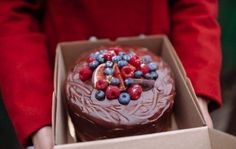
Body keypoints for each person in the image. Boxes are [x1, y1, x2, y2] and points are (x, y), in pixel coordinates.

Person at [0, 0, 222, 148]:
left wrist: (196, 90)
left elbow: (195, 7)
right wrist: (37, 115)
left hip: (156, 67)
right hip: (60, 72)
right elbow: (12, 14)